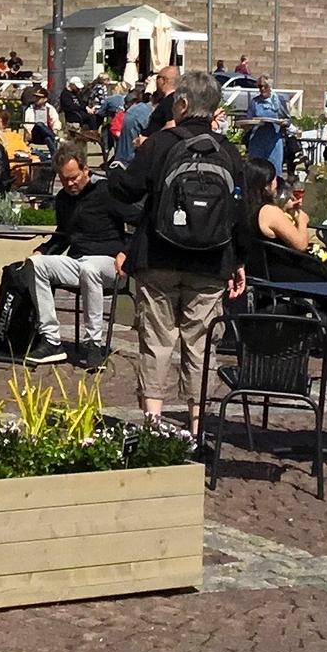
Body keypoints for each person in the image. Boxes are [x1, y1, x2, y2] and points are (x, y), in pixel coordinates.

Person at [108, 69, 248, 437]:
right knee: (200, 343)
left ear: (182, 103)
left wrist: (116, 168)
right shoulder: (229, 152)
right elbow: (242, 213)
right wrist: (239, 261)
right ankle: (198, 426)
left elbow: (127, 190)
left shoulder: (161, 142)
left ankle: (153, 425)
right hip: (212, 260)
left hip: (158, 256)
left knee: (157, 340)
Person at [241, 156, 327, 355]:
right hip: (282, 272)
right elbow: (300, 244)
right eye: (274, 179)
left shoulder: (244, 208)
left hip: (262, 269)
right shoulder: (269, 211)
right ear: (265, 184)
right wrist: (302, 220)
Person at [24, 144, 131, 369]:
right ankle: (51, 340)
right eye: (64, 180)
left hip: (111, 264)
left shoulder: (106, 191)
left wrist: (126, 252)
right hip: (79, 261)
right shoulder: (64, 198)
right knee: (35, 264)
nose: (70, 184)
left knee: (89, 267)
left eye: (73, 178)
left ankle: (94, 343)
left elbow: (139, 224)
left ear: (85, 169)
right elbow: (63, 235)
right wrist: (43, 251)